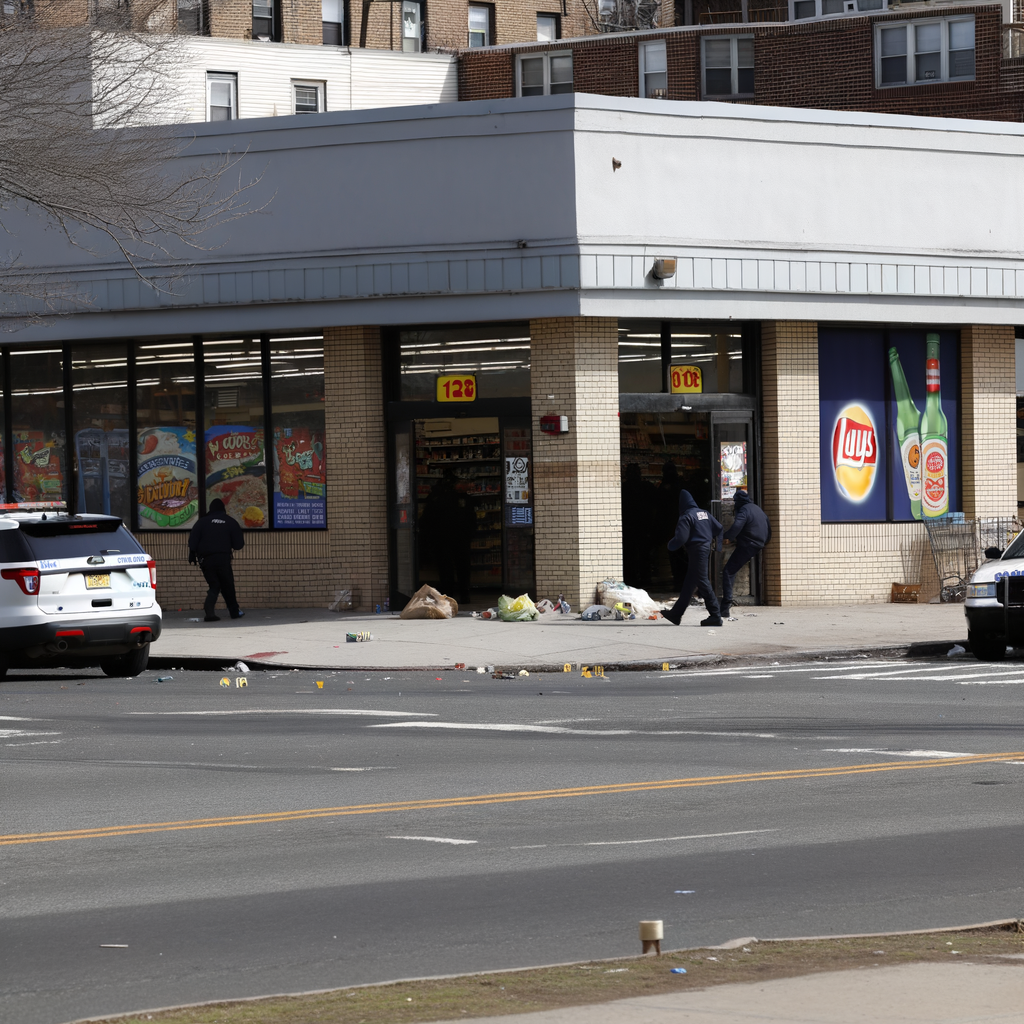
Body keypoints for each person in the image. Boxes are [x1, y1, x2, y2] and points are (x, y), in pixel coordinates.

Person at [662, 490, 723, 627]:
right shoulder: (705, 513)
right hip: (705, 548)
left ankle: (715, 615)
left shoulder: (686, 516)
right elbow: (719, 528)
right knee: (690, 584)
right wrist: (717, 546)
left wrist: (670, 546)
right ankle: (676, 614)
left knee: (702, 581)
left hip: (696, 550)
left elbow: (681, 538)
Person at [188, 498, 245, 622]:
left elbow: (193, 541)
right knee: (228, 585)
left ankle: (209, 613)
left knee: (214, 585)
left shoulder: (201, 522)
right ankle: (234, 612)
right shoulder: (230, 522)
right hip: (223, 559)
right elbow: (238, 545)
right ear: (223, 509)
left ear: (211, 509)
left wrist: (192, 554)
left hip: (206, 560)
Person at [720, 489, 771, 619]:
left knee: (728, 571)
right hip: (758, 543)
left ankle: (725, 606)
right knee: (732, 569)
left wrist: (727, 537)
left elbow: (737, 525)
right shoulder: (756, 508)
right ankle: (726, 604)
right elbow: (768, 525)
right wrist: (765, 541)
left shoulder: (744, 510)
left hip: (749, 544)